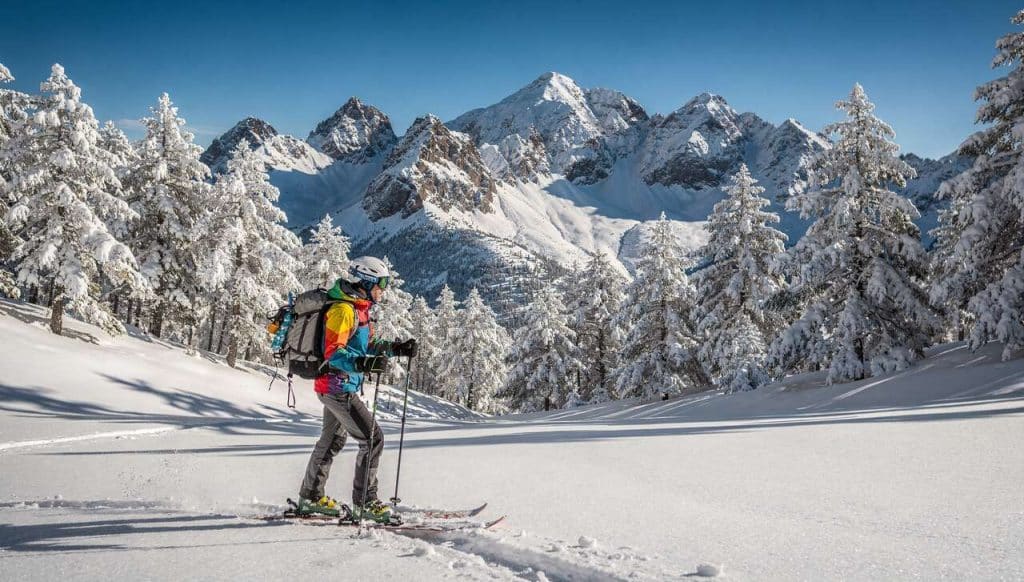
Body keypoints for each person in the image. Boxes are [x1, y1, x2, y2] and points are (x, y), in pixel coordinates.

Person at [296, 256, 417, 522]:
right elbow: (333, 353)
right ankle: (365, 502)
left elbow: (363, 347)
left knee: (332, 440)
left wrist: (395, 349)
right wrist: (362, 363)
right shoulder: (342, 310)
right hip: (336, 386)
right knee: (373, 439)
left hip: (337, 385)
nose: (383, 290)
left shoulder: (357, 309)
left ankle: (311, 497)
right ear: (367, 282)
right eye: (381, 284)